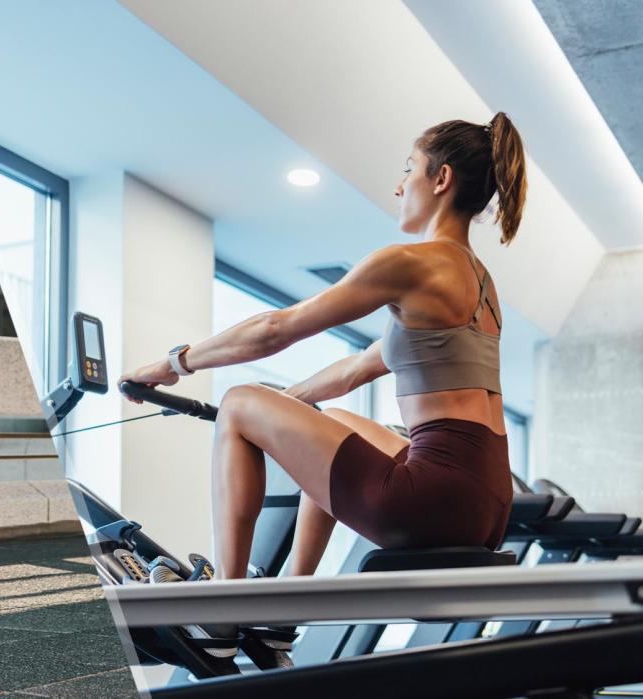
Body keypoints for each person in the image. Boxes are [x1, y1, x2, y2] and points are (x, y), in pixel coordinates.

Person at [121, 113, 527, 589]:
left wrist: (173, 365)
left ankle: (222, 608)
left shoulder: (411, 263)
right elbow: (358, 366)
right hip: (486, 501)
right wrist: (284, 411)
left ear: (441, 179)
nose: (399, 187)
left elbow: (275, 329)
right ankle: (286, 603)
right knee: (327, 421)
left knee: (238, 399)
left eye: (409, 169)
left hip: (433, 500)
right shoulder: (481, 285)